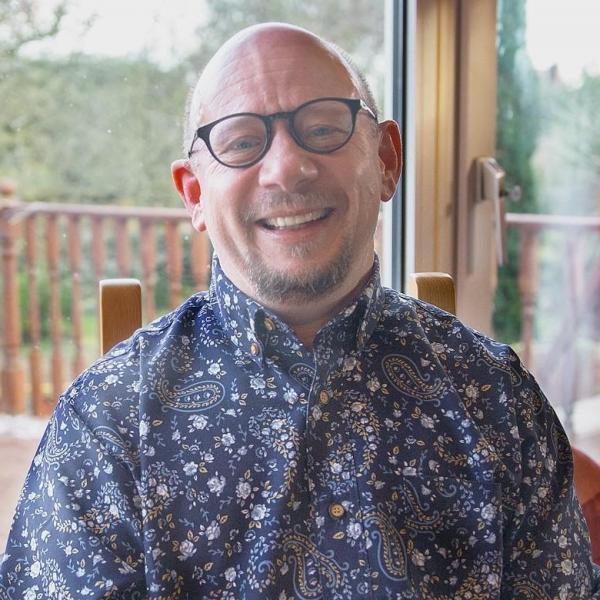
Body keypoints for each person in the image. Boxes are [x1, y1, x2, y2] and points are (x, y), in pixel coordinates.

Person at [1, 22, 598, 600]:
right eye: (240, 142)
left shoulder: (494, 398)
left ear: (387, 159)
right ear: (195, 195)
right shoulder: (105, 424)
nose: (287, 168)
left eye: (323, 127)